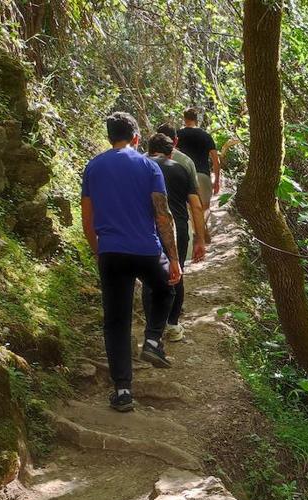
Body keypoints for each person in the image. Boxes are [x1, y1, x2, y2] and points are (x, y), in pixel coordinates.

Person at [81, 112, 182, 412]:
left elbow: (88, 218)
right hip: (147, 250)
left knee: (116, 322)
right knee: (167, 288)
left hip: (111, 251)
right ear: (137, 138)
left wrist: (99, 250)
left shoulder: (93, 167)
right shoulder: (149, 166)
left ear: (110, 137)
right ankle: (152, 340)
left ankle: (123, 390)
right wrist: (173, 259)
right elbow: (162, 216)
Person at [146, 132, 207, 341]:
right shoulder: (180, 169)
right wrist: (200, 239)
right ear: (171, 152)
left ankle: (152, 327)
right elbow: (197, 207)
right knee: (176, 274)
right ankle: (172, 326)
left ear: (148, 150)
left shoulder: (140, 168)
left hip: (149, 228)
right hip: (179, 229)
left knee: (149, 277)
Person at [176, 107, 220, 239]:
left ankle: (198, 232)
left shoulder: (178, 135)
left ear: (184, 119)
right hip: (203, 175)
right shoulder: (206, 135)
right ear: (197, 120)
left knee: (191, 208)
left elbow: (172, 154)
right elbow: (215, 159)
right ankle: (202, 229)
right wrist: (216, 180)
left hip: (185, 176)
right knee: (205, 207)